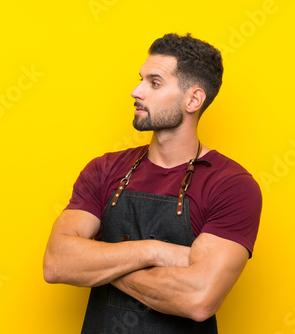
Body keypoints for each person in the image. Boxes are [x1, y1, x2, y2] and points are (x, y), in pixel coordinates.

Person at [43, 33, 262, 333]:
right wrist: (153, 251)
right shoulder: (104, 169)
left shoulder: (231, 185)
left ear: (193, 99)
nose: (136, 91)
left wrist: (100, 263)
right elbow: (57, 263)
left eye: (154, 83)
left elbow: (198, 298)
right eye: (140, 79)